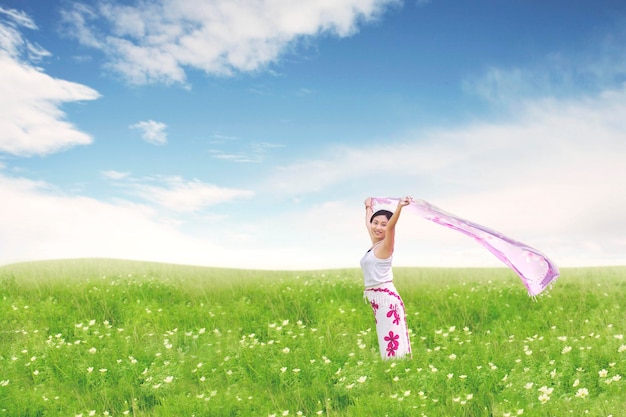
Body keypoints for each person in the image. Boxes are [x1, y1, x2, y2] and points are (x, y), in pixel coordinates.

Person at [361, 197, 412, 359]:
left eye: (383, 224)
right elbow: (368, 223)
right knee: (386, 338)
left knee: (391, 341)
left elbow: (390, 228)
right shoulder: (375, 244)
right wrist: (368, 206)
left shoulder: (386, 246)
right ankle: (396, 368)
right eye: (376, 223)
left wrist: (399, 208)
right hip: (378, 300)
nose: (377, 227)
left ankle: (396, 371)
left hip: (386, 300)